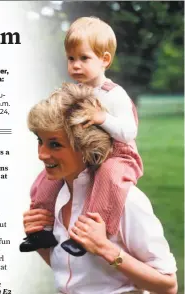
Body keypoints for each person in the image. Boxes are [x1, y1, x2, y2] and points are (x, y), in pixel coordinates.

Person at [23, 83, 177, 294]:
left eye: (55, 144)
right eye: (40, 141)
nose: (41, 154)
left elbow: (168, 286)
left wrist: (105, 248)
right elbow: (75, 278)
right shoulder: (55, 195)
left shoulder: (126, 200)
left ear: (85, 146)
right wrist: (39, 240)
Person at [20, 16, 143, 256]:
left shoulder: (114, 94)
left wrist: (102, 118)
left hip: (119, 155)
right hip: (86, 152)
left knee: (109, 176)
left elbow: (129, 133)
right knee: (48, 177)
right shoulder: (78, 91)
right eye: (71, 58)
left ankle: (90, 234)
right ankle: (41, 228)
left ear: (104, 60)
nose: (75, 65)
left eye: (84, 58)